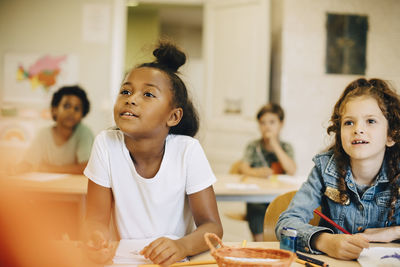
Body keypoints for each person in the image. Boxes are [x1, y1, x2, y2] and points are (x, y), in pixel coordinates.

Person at [82, 40, 223, 266]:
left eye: (148, 95)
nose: (131, 98)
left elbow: (212, 228)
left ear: (173, 117)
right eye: (125, 91)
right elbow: (95, 221)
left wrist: (181, 246)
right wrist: (95, 238)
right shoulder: (106, 144)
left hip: (175, 261)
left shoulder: (188, 150)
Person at [276, 78, 400, 260]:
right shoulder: (325, 169)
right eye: (349, 122)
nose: (358, 129)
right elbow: (286, 223)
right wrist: (325, 241)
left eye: (371, 121)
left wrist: (394, 231)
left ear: (391, 135)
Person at [238, 103, 296, 241]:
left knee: (286, 215)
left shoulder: (286, 147)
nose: (267, 127)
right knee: (256, 210)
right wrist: (257, 173)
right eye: (263, 123)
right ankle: (259, 243)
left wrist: (274, 144)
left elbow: (291, 169)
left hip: (279, 197)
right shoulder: (253, 146)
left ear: (281, 124)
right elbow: (243, 168)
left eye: (272, 122)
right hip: (257, 199)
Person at [15, 85, 94, 174]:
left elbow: (85, 168)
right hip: (49, 186)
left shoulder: (84, 133)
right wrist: (17, 168)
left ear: (82, 115)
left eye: (77, 108)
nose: (72, 111)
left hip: (73, 186)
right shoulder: (43, 134)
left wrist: (48, 168)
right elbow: (28, 163)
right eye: (67, 106)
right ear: (54, 110)